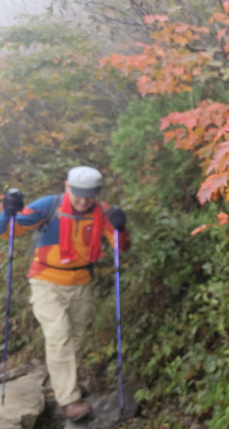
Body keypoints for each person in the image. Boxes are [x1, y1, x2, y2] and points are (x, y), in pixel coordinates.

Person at [0, 166, 130, 422]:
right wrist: (7, 210)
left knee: (77, 340)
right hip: (46, 280)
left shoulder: (102, 212)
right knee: (59, 336)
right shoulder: (49, 206)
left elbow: (120, 247)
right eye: (78, 194)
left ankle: (61, 383)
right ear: (67, 186)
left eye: (89, 196)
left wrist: (121, 227)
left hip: (82, 283)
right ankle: (69, 399)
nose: (83, 202)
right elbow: (7, 231)